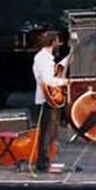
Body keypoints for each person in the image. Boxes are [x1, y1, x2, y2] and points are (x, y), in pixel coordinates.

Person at [30, 29, 68, 170]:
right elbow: (47, 80)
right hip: (47, 100)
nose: (59, 44)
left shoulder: (46, 58)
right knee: (47, 133)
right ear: (53, 42)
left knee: (52, 132)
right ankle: (43, 164)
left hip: (50, 99)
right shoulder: (42, 58)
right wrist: (64, 83)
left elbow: (56, 69)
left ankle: (47, 160)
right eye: (57, 41)